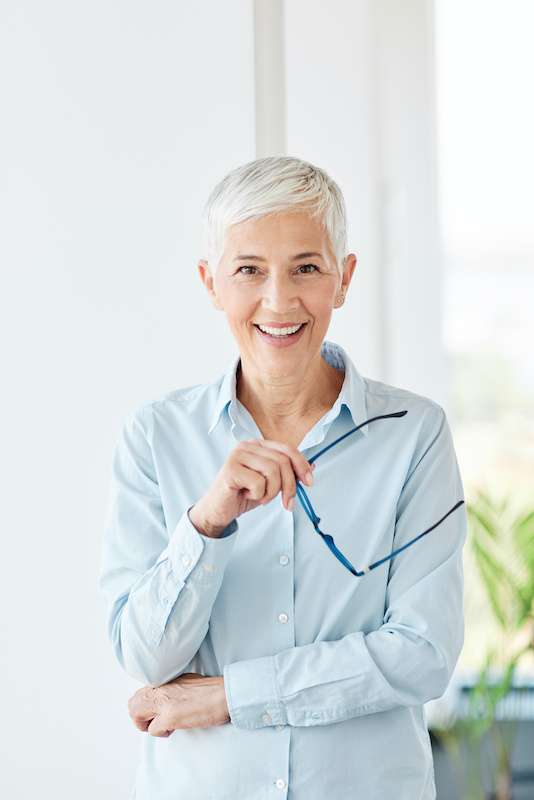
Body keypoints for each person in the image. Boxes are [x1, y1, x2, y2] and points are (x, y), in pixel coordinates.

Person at [98, 155, 467, 799]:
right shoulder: (155, 436)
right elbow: (146, 657)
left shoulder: (414, 434)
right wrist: (206, 522)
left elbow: (422, 654)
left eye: (306, 268)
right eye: (249, 270)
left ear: (344, 278)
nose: (279, 299)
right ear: (211, 282)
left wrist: (230, 697)